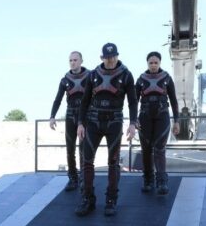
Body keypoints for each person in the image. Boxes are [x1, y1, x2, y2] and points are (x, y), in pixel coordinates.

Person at [76, 43, 137, 217]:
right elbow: (85, 101)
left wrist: (133, 123)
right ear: (102, 57)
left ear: (117, 56)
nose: (110, 60)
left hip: (114, 121)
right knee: (87, 161)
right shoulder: (93, 75)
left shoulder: (126, 74)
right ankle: (88, 199)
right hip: (93, 121)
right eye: (107, 57)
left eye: (113, 56)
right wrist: (80, 123)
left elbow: (133, 101)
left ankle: (111, 200)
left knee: (113, 163)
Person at [135, 51, 180, 195]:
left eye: (156, 63)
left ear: (160, 63)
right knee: (146, 149)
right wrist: (133, 120)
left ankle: (162, 182)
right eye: (151, 63)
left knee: (160, 148)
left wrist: (177, 121)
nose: (153, 65)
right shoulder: (141, 79)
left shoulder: (167, 78)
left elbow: (174, 100)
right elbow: (133, 101)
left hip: (162, 116)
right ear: (147, 63)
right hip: (145, 117)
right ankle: (148, 180)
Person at [49, 51, 89, 191]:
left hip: (85, 116)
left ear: (81, 61)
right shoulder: (65, 80)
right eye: (71, 60)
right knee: (70, 148)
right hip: (71, 115)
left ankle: (84, 178)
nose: (73, 62)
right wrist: (52, 116)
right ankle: (73, 178)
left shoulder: (90, 76)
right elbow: (58, 99)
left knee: (84, 149)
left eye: (75, 60)